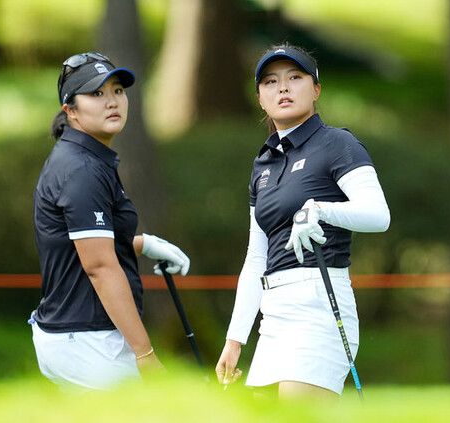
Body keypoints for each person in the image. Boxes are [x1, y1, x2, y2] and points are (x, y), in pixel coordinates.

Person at [215, 44, 390, 398]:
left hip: (320, 304)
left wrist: (321, 210)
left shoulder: (337, 143)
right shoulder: (263, 164)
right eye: (270, 81)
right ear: (260, 98)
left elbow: (378, 215)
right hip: (273, 315)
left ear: (316, 89)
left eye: (295, 77)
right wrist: (235, 340)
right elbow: (256, 258)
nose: (283, 87)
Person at [30, 52, 190, 390]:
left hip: (76, 336)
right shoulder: (82, 170)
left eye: (118, 90)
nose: (112, 101)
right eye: (96, 93)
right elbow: (100, 267)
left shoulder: (86, 157)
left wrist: (143, 244)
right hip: (87, 341)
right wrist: (145, 354)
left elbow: (79, 244)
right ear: (70, 110)